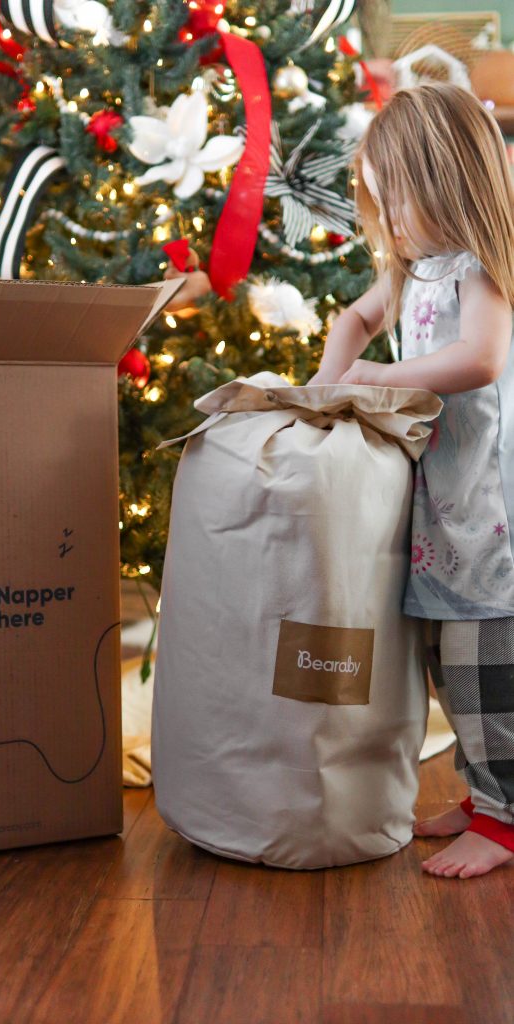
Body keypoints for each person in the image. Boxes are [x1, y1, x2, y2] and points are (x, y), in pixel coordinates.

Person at [308, 83, 514, 878]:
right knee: (441, 665)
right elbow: (353, 319)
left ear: (445, 182)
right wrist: (327, 385)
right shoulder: (414, 269)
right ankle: (482, 795)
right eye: (379, 201)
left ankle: (504, 819)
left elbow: (481, 359)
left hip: (486, 513)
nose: (387, 219)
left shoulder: (478, 268)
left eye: (396, 198)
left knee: (481, 668)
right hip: (437, 514)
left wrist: (380, 377)